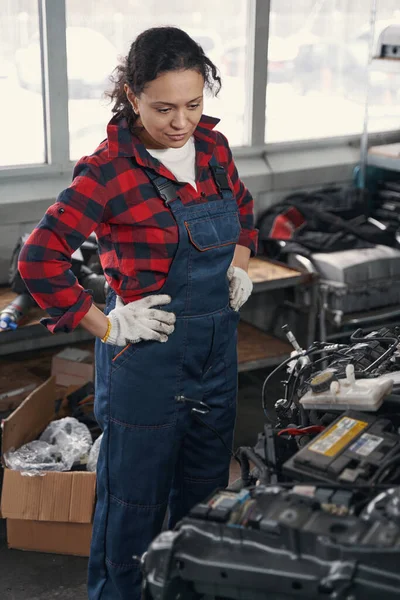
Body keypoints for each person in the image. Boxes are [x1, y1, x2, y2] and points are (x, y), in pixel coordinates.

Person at [18, 26, 258, 600]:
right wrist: (105, 322)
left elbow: (245, 211)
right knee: (134, 504)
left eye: (194, 105)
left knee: (204, 493)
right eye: (164, 108)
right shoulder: (106, 171)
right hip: (145, 357)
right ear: (131, 95)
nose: (181, 123)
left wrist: (240, 263)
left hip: (214, 356)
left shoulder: (215, 151)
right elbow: (39, 259)